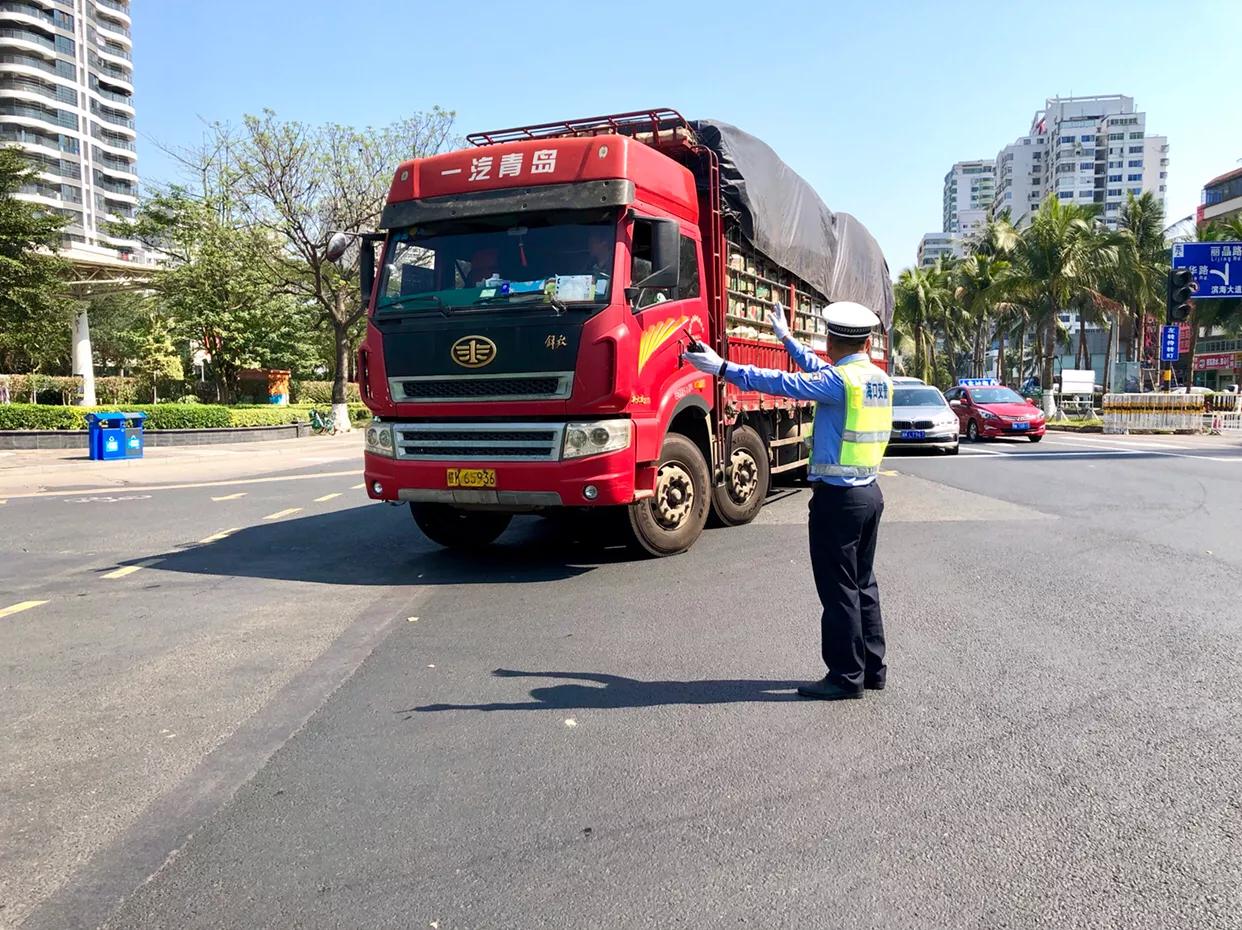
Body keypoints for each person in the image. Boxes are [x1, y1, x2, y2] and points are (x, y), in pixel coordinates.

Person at [683, 300, 893, 701]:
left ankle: (845, 677)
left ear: (834, 340)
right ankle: (872, 669)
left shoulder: (839, 383)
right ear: (865, 342)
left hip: (839, 501)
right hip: (869, 495)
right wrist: (786, 338)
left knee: (838, 591)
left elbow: (782, 383)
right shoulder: (873, 378)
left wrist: (721, 369)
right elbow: (815, 371)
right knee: (864, 585)